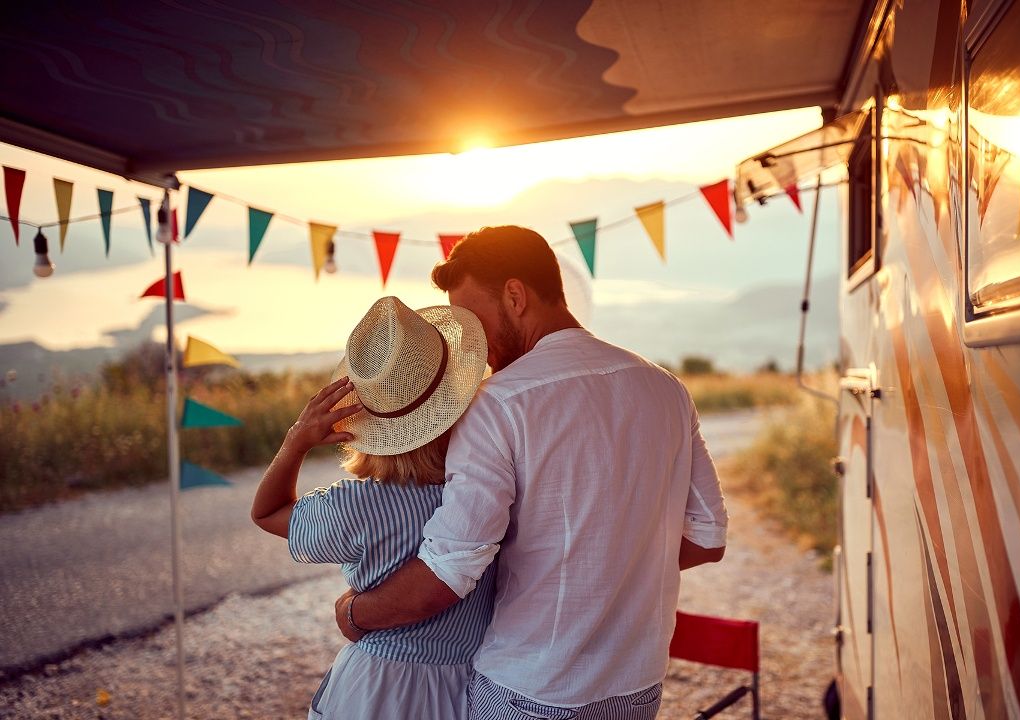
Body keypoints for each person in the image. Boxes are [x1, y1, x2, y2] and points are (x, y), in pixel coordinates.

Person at [334, 225, 729, 719]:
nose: (471, 340)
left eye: (473, 317)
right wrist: (615, 570)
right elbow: (708, 538)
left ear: (515, 295)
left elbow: (448, 570)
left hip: (530, 690)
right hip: (636, 685)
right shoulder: (665, 388)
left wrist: (353, 612)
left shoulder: (498, 403)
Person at [251, 296, 493, 719]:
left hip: (377, 688)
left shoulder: (356, 506)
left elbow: (267, 513)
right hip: (467, 686)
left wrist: (296, 440)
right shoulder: (486, 496)